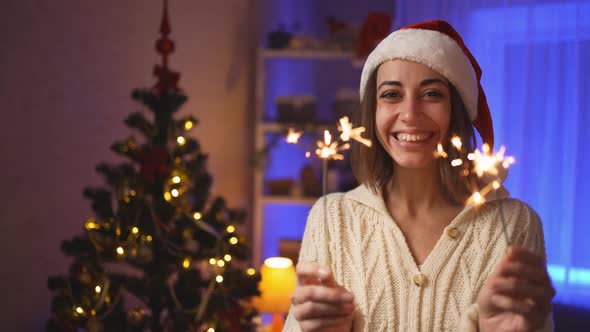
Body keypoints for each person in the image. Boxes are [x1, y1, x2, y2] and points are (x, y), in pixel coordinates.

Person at [282, 20, 555, 331]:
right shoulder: (331, 218)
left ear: (457, 110)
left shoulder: (515, 223)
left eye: (431, 94)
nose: (410, 114)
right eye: (391, 94)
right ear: (372, 110)